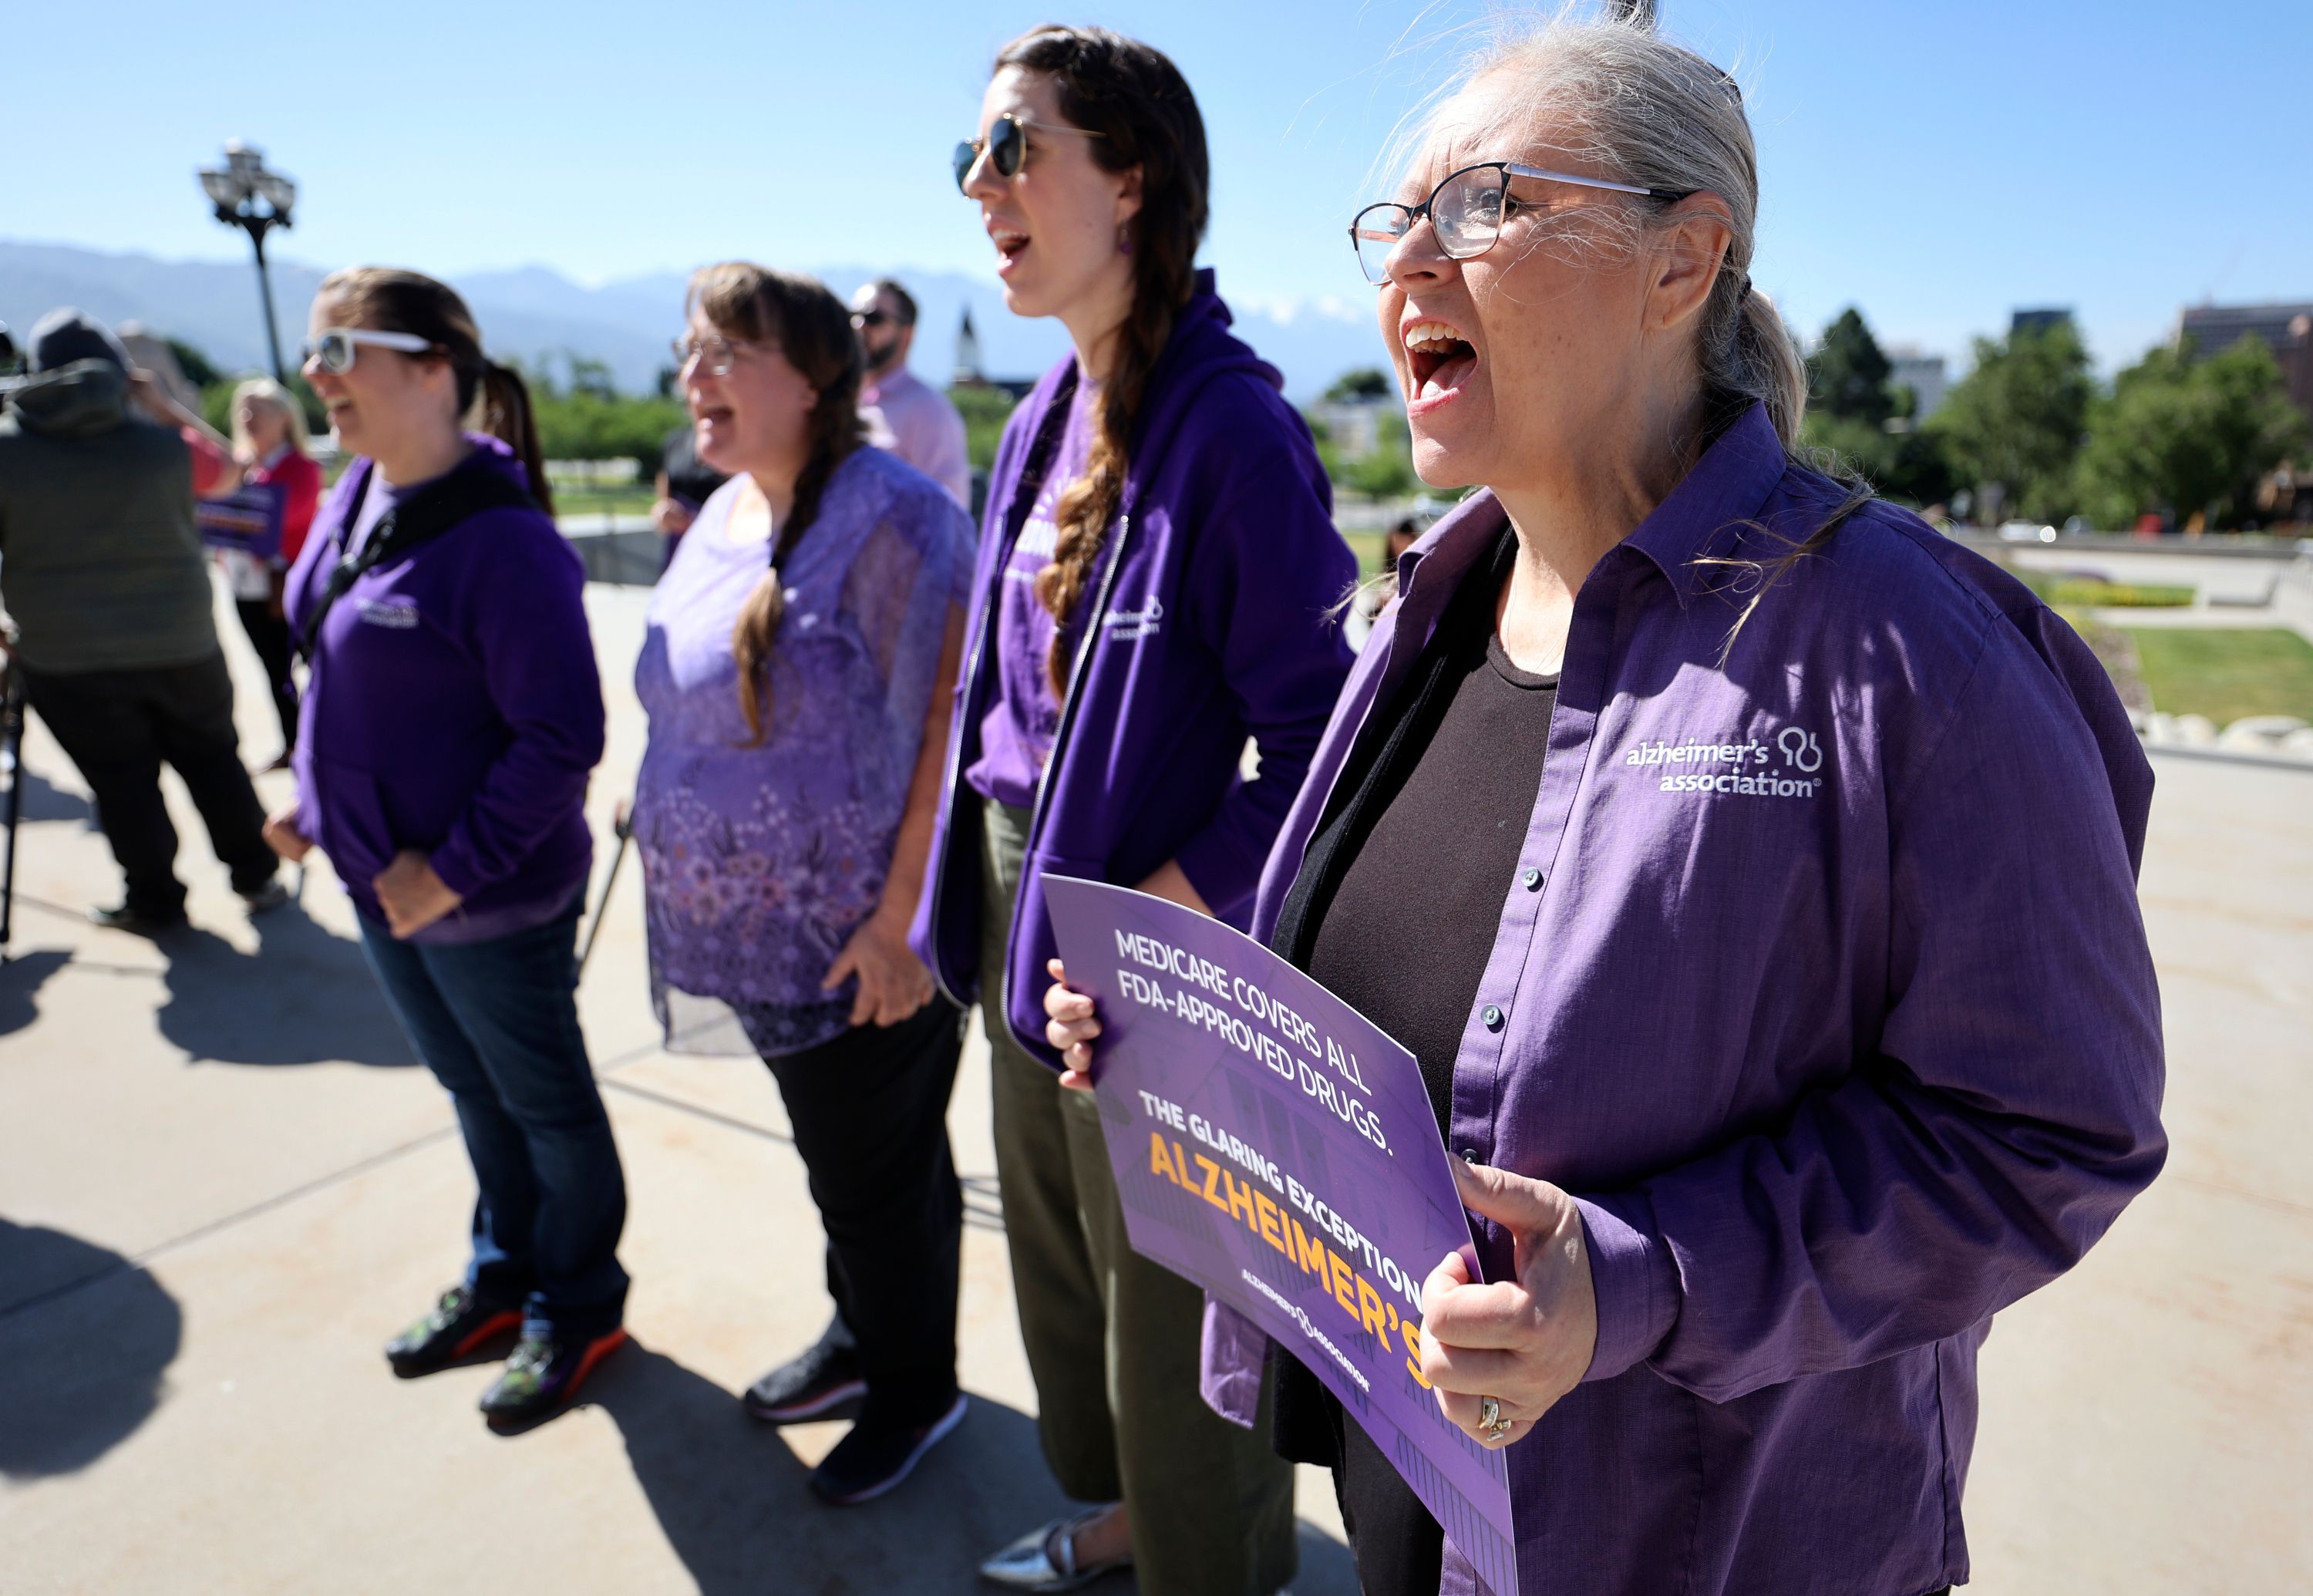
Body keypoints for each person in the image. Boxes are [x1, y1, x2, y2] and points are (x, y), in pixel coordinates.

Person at [1044, 17, 2167, 1595]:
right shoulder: (1418, 617)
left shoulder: (1911, 649)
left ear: (1683, 259)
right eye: (1396, 222)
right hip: (1416, 1490)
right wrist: (1179, 1053)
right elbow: (1379, 1020)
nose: (1412, 260)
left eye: (1488, 202)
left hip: (1711, 1545)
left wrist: (1634, 1281)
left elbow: (2055, 1130)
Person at [913, 27, 1358, 1596]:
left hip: (1145, 935)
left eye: (1012, 146)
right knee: (1062, 1278)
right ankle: (1125, 1529)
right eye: (968, 155)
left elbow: (1323, 740)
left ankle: (1209, 1566)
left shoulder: (1234, 430)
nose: (980, 185)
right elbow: (994, 710)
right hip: (1015, 900)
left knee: (1173, 1323)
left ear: (1134, 178)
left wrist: (1163, 904)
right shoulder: (1043, 415)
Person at [632, 263, 975, 1503]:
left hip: (857, 950)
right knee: (854, 1174)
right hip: (761, 950)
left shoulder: (899, 520)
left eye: (728, 350)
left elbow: (946, 727)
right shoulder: (727, 511)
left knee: (879, 1182)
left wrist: (900, 924)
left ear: (818, 372)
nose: (694, 376)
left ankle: (914, 1392)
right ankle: (863, 1337)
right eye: (690, 351)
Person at [267, 268, 628, 1431]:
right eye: (312, 354)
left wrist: (451, 868)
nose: (317, 376)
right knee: (476, 1093)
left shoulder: (506, 543)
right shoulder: (358, 490)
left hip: (485, 898)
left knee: (548, 1110)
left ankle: (578, 1305)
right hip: (379, 886)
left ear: (433, 369)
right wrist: (314, 807)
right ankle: (504, 1274)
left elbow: (564, 737)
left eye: (342, 351)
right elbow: (331, 671)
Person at [0, 307, 287, 932]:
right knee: (214, 758)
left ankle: (156, 900)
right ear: (120, 375)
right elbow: (232, 471)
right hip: (181, 644)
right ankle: (257, 875)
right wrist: (164, 407)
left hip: (66, 656)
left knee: (122, 783)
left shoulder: (8, 453)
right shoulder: (163, 446)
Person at [217, 379, 323, 769]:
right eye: (244, 410)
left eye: (257, 409)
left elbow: (274, 526)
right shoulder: (241, 467)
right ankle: (294, 745)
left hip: (286, 586)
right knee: (274, 672)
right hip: (246, 586)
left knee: (314, 667)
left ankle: (321, 741)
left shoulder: (300, 467)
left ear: (283, 417)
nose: (248, 418)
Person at [852, 279, 972, 510]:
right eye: (853, 315)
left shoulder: (929, 411)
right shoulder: (842, 401)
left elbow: (948, 514)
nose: (859, 326)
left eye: (873, 318)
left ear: (906, 335)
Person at [649, 418, 729, 567]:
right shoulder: (675, 440)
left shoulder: (736, 441)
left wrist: (695, 522)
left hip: (718, 543)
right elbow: (664, 480)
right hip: (679, 542)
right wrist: (662, 512)